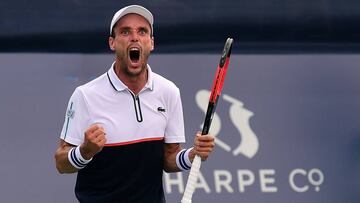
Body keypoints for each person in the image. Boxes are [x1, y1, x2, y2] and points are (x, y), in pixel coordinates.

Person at [54, 5, 215, 203]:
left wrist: (193, 154)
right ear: (112, 43)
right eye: (125, 31)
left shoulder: (168, 91)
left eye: (142, 31)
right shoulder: (85, 95)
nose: (134, 37)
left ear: (151, 43)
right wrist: (85, 151)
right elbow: (61, 162)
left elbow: (169, 158)